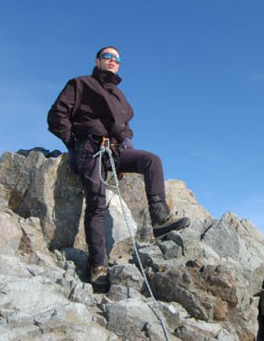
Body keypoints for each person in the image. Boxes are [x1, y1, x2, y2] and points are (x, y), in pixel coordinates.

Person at [47, 46, 190, 285]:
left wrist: (126, 149)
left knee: (151, 161)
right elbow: (57, 115)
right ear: (97, 60)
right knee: (97, 203)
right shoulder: (80, 84)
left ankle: (160, 220)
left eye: (117, 59)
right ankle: (99, 266)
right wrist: (75, 141)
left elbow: (126, 128)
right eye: (107, 57)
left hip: (114, 151)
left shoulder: (120, 98)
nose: (113, 61)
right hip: (89, 149)